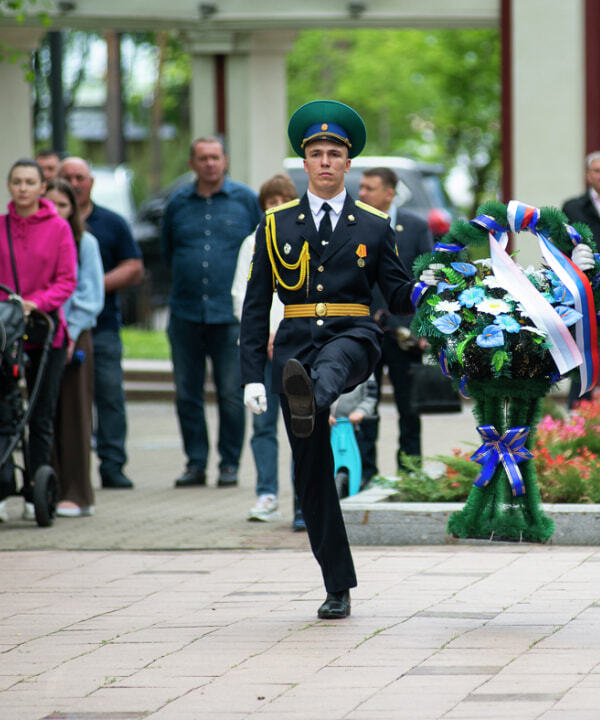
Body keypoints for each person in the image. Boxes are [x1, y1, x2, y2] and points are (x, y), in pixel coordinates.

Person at [241, 100, 419, 619]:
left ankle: (311, 396)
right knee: (312, 473)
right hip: (294, 343)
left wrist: (438, 283)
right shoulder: (274, 227)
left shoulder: (373, 224)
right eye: (315, 153)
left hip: (353, 335)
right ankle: (336, 584)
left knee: (330, 370)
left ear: (348, 165)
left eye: (334, 154)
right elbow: (255, 309)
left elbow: (398, 292)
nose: (324, 161)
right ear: (304, 164)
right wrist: (253, 374)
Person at [0, 159, 77, 518]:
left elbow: (66, 280)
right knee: (2, 413)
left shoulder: (59, 228)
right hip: (1, 333)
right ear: (9, 186)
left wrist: (37, 303)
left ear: (41, 187)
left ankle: (36, 490)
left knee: (40, 416)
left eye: (30, 182)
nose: (23, 188)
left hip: (45, 331)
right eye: (16, 181)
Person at [161, 137, 258, 489]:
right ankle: (196, 463)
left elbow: (258, 252)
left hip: (229, 315)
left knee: (232, 393)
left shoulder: (245, 201)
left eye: (215, 157)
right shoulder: (177, 204)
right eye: (202, 158)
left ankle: (229, 464)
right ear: (192, 163)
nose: (210, 164)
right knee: (187, 394)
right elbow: (168, 250)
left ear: (225, 160)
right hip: (186, 312)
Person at [60, 156, 143, 490]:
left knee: (109, 396)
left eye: (81, 177)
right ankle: (67, 466)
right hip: (61, 327)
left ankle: (112, 465)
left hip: (103, 325)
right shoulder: (51, 226)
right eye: (69, 177)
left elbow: (135, 267)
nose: (76, 183)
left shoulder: (112, 223)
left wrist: (92, 286)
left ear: (90, 182)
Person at [230, 173, 303, 526]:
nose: (274, 208)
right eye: (268, 203)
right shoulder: (252, 243)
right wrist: (265, 334)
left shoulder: (304, 239)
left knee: (302, 424)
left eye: (281, 201)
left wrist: (284, 332)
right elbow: (243, 297)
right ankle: (266, 493)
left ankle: (304, 499)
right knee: (263, 425)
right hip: (262, 347)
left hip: (295, 346)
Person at [358, 166, 433, 478]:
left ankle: (410, 472)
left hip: (406, 334)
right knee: (364, 407)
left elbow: (430, 280)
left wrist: (426, 328)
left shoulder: (415, 227)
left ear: (389, 193)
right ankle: (365, 473)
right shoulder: (356, 226)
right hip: (365, 332)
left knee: (409, 407)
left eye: (369, 188)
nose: (361, 193)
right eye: (361, 187)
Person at [45, 179, 104, 517]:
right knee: (43, 415)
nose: (56, 212)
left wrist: (69, 334)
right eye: (49, 205)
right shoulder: (40, 242)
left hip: (73, 335)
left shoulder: (86, 243)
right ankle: (46, 486)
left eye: (63, 206)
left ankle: (77, 493)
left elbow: (89, 296)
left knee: (74, 413)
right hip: (41, 333)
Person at [562, 150, 600, 407]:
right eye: (597, 171)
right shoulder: (573, 207)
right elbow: (562, 246)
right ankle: (578, 407)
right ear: (588, 176)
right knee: (582, 347)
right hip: (583, 290)